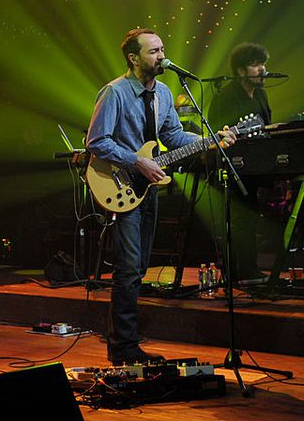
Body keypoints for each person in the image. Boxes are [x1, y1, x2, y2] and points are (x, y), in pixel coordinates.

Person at [86, 28, 236, 365]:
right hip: (120, 186)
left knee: (139, 268)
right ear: (133, 58)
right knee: (127, 270)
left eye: (162, 49)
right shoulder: (115, 92)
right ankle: (123, 348)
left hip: (146, 189)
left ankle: (126, 342)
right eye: (153, 51)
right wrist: (136, 161)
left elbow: (174, 135)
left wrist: (210, 140)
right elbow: (96, 141)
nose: (162, 56)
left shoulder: (164, 93)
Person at [207, 43, 273, 282]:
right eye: (255, 64)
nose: (262, 69)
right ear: (240, 70)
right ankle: (238, 271)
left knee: (251, 217)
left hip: (256, 166)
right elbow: (215, 135)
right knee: (238, 220)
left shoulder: (261, 94)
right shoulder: (225, 97)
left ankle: (249, 269)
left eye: (263, 63)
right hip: (232, 167)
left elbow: (266, 126)